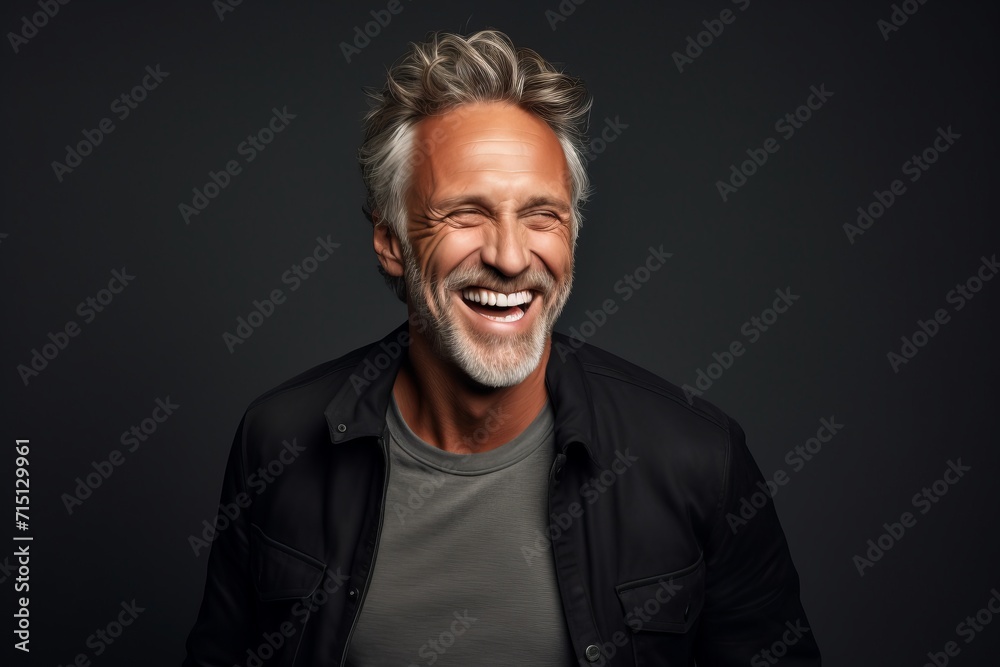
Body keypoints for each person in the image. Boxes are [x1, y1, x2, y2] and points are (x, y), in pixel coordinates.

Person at [183, 29, 821, 666]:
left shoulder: (700, 461)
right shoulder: (279, 442)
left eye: (543, 216)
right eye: (465, 214)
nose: (511, 257)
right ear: (390, 241)